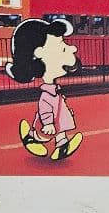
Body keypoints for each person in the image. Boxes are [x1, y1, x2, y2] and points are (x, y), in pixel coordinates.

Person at [6, 18, 83, 162]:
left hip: (55, 117)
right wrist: (47, 123)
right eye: (61, 47)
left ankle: (61, 144)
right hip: (49, 124)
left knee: (60, 125)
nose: (72, 49)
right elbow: (44, 109)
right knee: (45, 132)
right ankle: (32, 138)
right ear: (41, 54)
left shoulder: (54, 91)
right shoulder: (47, 94)